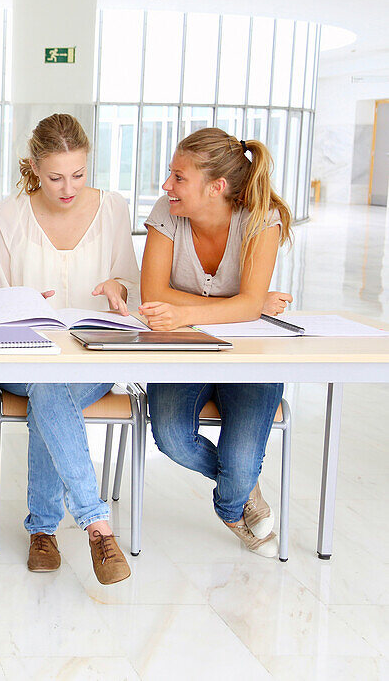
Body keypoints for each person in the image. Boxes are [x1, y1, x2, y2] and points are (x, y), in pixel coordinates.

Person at [0, 113, 135, 584]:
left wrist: (117, 288)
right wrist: (23, 304)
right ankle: (97, 527)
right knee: (48, 387)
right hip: (21, 357)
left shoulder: (113, 208)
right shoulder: (8, 215)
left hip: (91, 357)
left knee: (51, 394)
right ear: (33, 167)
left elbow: (130, 281)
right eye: (54, 177)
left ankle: (44, 530)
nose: (68, 188)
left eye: (78, 175)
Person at [140, 127, 293, 557]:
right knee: (170, 435)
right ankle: (244, 491)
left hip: (252, 356)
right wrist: (245, 301)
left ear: (216, 187)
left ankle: (231, 506)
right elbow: (152, 294)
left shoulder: (262, 218)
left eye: (178, 177)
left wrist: (204, 309)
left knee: (242, 456)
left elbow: (246, 310)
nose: (167, 186)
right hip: (183, 351)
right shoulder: (168, 212)